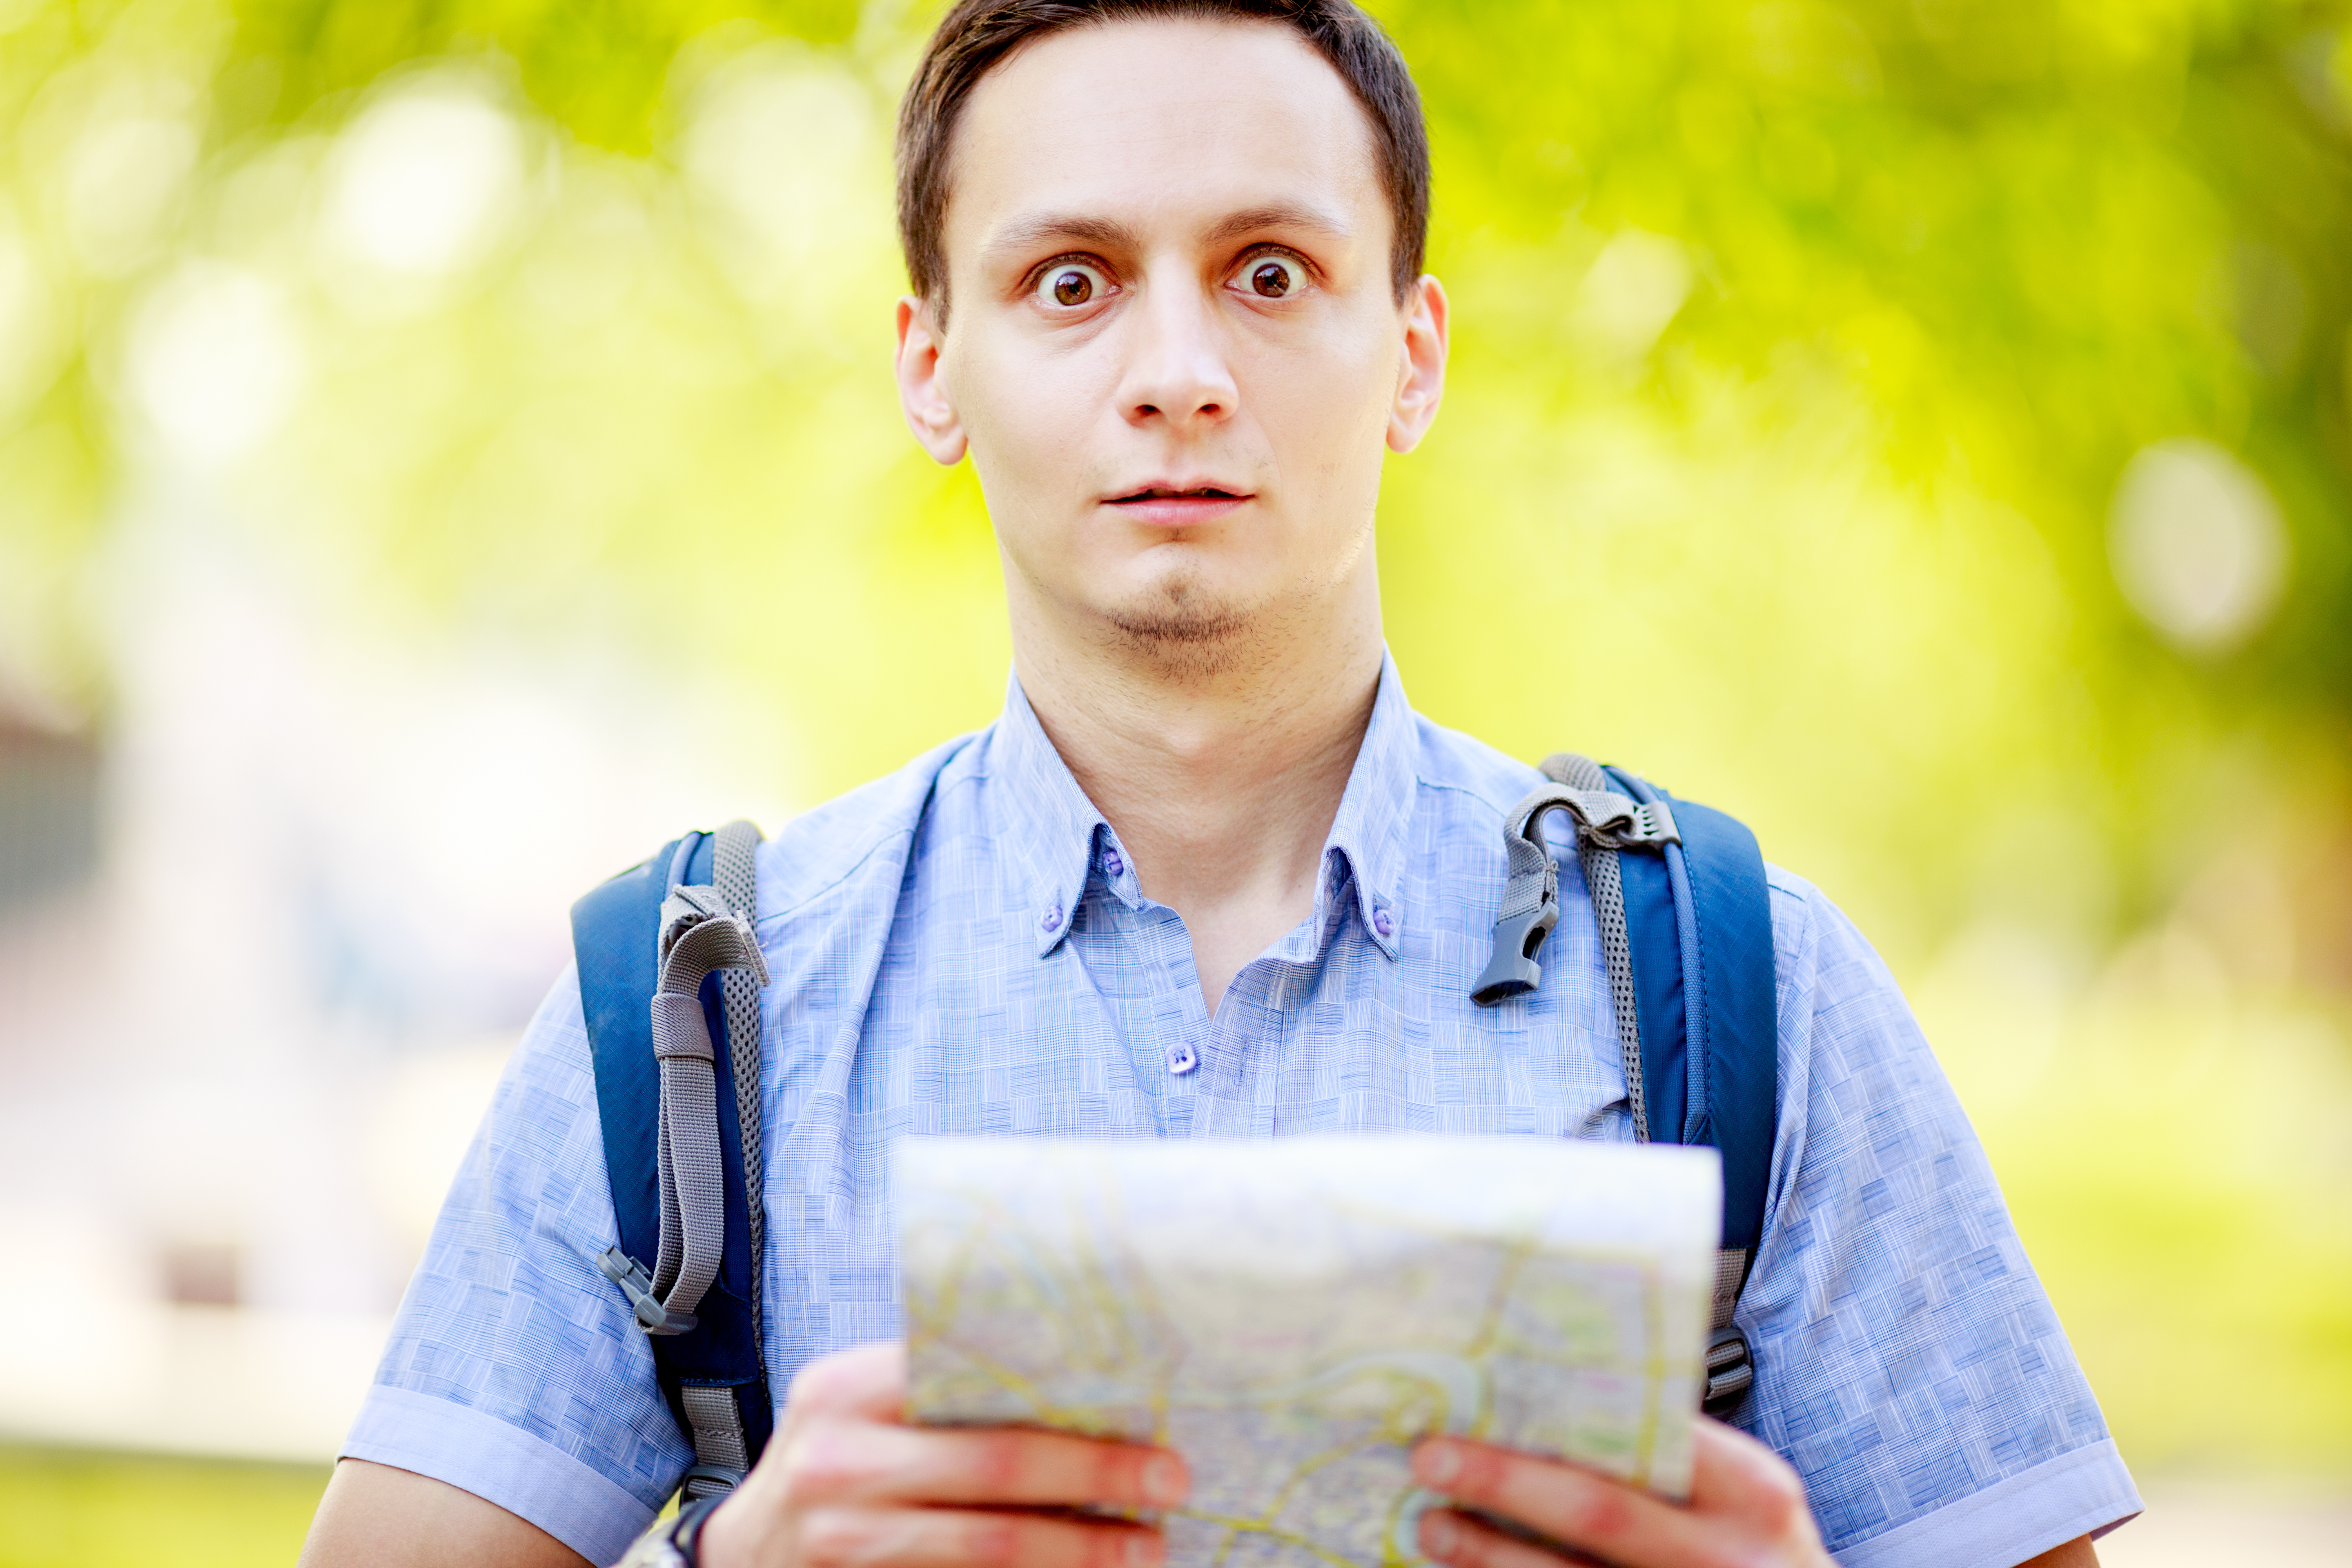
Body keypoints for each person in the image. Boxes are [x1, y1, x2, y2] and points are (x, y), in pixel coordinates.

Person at [299, 2, 2142, 1565]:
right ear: (933, 363)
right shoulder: (688, 1012)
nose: (1177, 373)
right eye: (1072, 280)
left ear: (1410, 354)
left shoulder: (1750, 990)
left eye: (1272, 273)